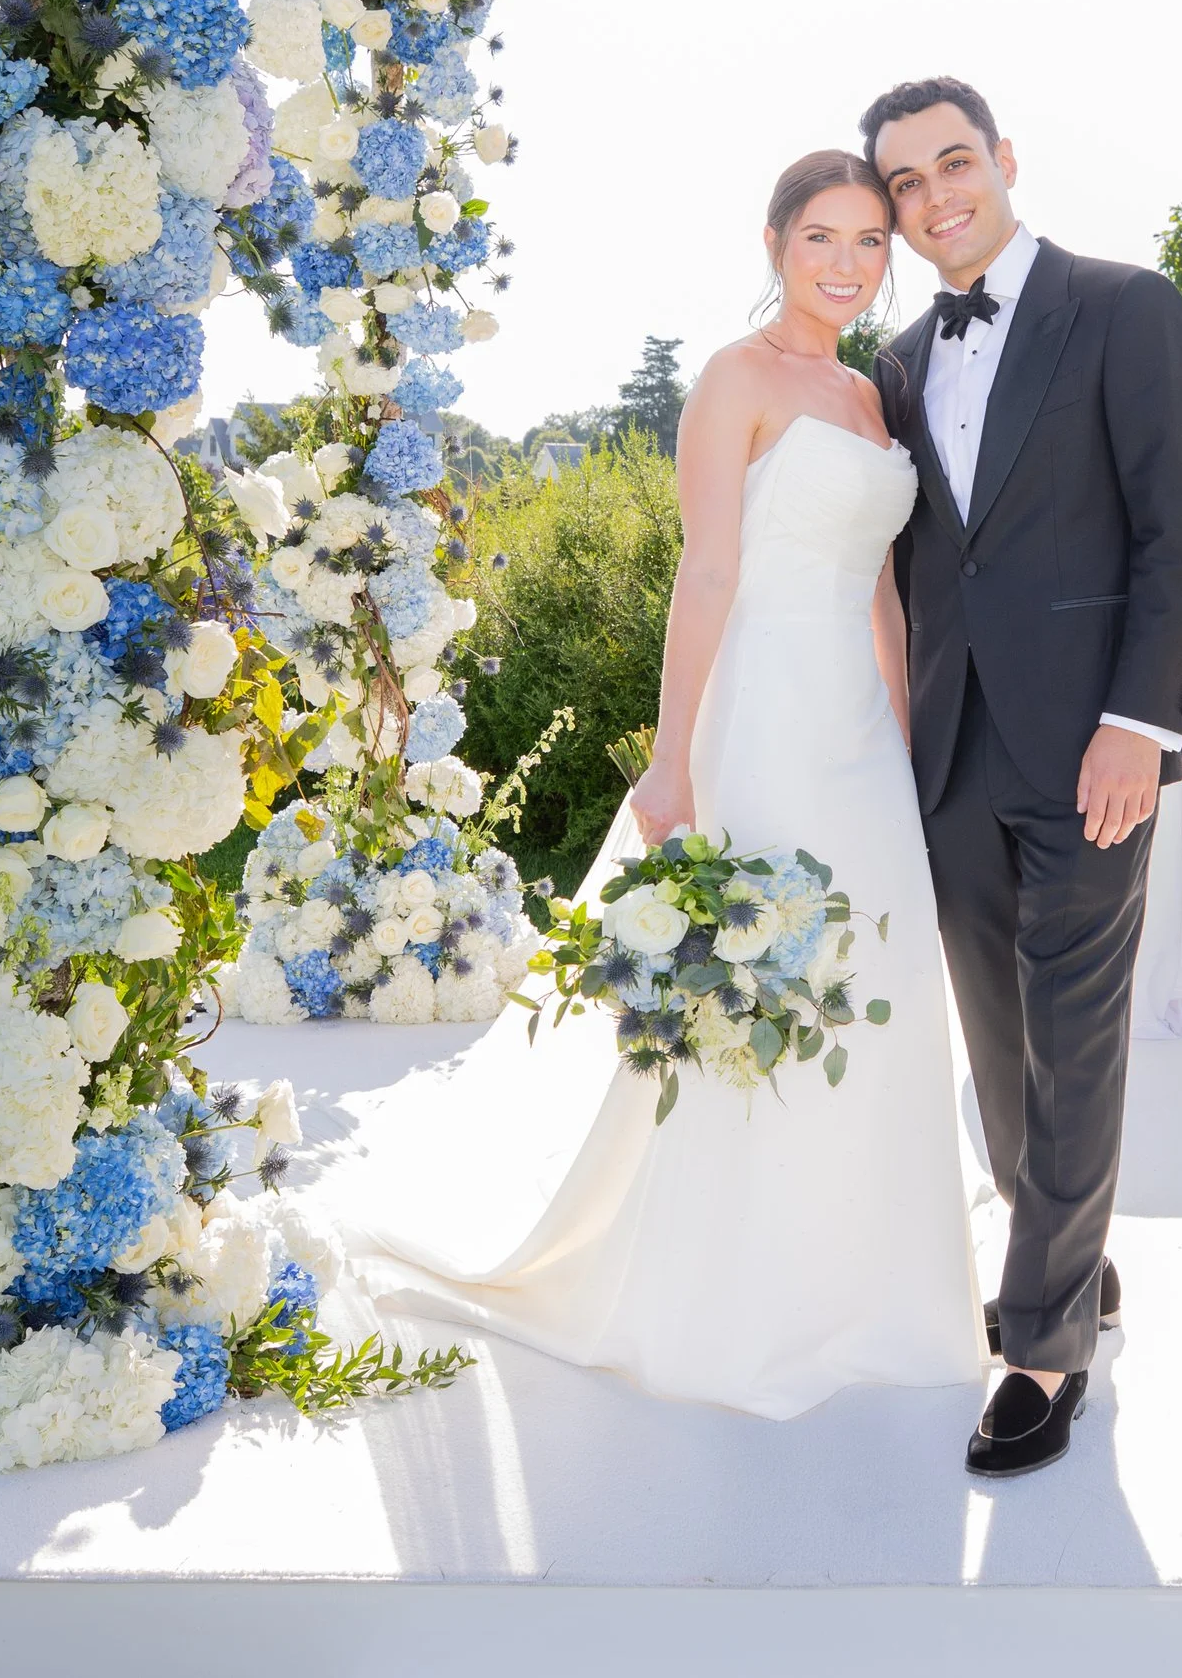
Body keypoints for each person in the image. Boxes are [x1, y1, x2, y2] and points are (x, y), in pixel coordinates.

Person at [342, 150, 985, 1418]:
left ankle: (875, 1281)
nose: (847, 264)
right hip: (764, 716)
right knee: (766, 974)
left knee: (879, 976)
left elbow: (882, 593)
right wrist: (672, 753)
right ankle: (744, 1291)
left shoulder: (872, 397)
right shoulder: (734, 380)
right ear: (772, 241)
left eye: (869, 242)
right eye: (822, 238)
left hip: (859, 732)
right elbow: (707, 574)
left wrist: (909, 740)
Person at [864, 77, 1182, 1479]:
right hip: (950, 752)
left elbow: (1172, 531)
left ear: (1004, 160)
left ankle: (1043, 1343)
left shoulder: (1125, 306)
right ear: (891, 208)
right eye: (905, 179)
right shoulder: (894, 361)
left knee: (1074, 1032)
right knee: (999, 1051)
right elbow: (907, 572)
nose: (937, 191)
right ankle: (1067, 1253)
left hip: (1089, 746)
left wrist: (1141, 717)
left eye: (956, 160)